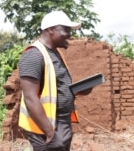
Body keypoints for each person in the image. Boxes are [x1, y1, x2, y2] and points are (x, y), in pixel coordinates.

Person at [18, 10, 84, 151]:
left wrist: (77, 91)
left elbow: (57, 87)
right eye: (66, 29)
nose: (69, 34)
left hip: (60, 122)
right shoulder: (33, 55)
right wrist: (50, 132)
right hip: (45, 126)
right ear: (51, 30)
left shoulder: (55, 53)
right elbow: (30, 98)